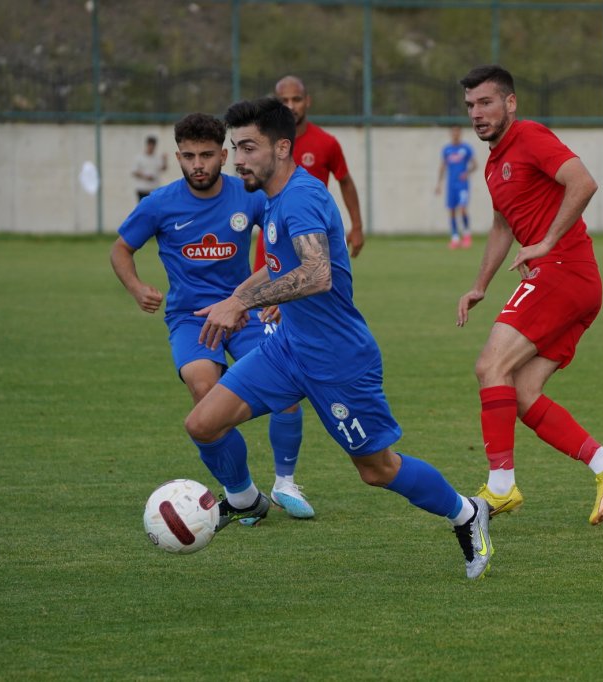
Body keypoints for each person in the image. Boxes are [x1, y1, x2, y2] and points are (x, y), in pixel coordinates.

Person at [187, 97, 493, 579]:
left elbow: (317, 273)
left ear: (282, 147)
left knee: (377, 470)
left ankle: (467, 512)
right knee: (203, 423)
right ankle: (246, 499)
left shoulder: (303, 198)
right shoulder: (272, 197)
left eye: (247, 147)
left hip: (338, 360)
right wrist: (236, 296)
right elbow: (277, 265)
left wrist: (240, 304)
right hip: (287, 349)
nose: (237, 159)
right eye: (234, 147)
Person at [456, 64, 603, 525]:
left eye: (486, 103)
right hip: (570, 280)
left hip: (563, 271)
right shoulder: (495, 164)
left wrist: (548, 241)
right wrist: (479, 286)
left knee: (489, 366)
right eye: (471, 106)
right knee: (519, 391)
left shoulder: (531, 136)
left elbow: (584, 183)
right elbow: (502, 226)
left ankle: (500, 488)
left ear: (510, 103)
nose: (477, 113)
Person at [110, 112, 314, 520]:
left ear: (224, 155)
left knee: (288, 389)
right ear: (177, 157)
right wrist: (136, 288)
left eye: (206, 155)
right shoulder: (160, 204)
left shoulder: (249, 196)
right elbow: (120, 250)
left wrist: (272, 293)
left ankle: (286, 484)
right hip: (190, 318)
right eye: (188, 156)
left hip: (245, 311)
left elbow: (286, 244)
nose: (197, 164)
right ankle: (243, 494)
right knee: (205, 392)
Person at [252, 75, 364, 270]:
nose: (291, 106)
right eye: (283, 101)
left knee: (316, 293)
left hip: (313, 233)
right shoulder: (263, 143)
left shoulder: (326, 142)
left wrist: (357, 227)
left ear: (307, 101)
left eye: (296, 99)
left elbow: (345, 181)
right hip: (272, 234)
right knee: (266, 297)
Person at [435, 126, 477, 249]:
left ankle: (467, 235)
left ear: (460, 134)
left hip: (462, 185)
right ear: (450, 134)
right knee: (452, 210)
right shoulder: (447, 150)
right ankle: (455, 238)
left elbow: (475, 165)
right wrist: (439, 184)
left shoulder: (466, 148)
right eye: (453, 133)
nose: (455, 135)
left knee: (463, 208)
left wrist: (467, 172)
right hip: (451, 185)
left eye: (457, 133)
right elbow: (442, 167)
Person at [132, 135, 168, 203]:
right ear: (147, 145)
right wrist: (145, 176)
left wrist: (165, 160)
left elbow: (163, 169)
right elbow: (134, 172)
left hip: (154, 189)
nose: (151, 147)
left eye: (153, 146)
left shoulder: (157, 157)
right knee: (143, 210)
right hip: (142, 189)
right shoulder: (139, 157)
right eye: (150, 145)